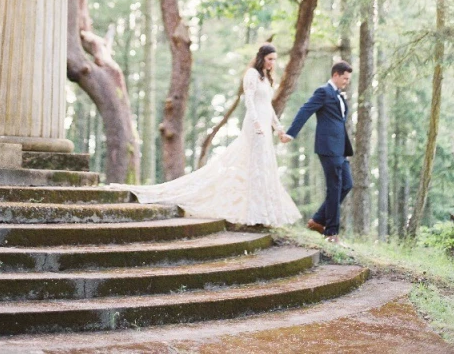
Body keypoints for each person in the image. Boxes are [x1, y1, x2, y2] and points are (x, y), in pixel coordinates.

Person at [127, 44, 301, 227]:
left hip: (265, 126)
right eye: (269, 59)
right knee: (255, 166)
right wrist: (256, 122)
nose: (272, 63)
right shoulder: (252, 74)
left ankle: (264, 212)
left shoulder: (267, 78)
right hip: (254, 125)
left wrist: (278, 127)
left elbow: (268, 106)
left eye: (274, 59)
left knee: (264, 166)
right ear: (261, 58)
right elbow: (249, 100)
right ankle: (254, 213)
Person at [280, 60, 354, 243]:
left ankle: (318, 220)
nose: (346, 82)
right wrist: (291, 133)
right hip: (328, 147)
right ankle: (331, 233)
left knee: (347, 184)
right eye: (344, 78)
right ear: (335, 75)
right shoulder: (323, 92)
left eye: (348, 79)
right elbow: (305, 110)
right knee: (335, 186)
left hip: (340, 148)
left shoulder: (339, 95)